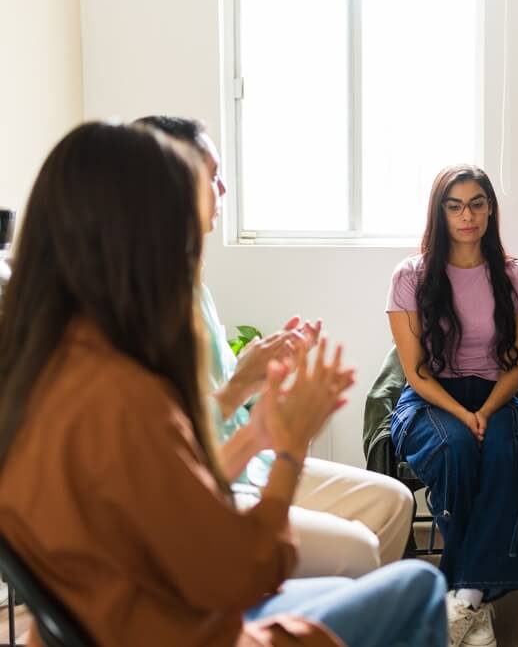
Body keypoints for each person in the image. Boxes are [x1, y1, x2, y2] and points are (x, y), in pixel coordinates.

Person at [0, 121, 448, 646]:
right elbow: (243, 573)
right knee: (420, 585)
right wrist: (286, 450)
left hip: (120, 613)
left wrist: (257, 433)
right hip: (182, 627)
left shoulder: (44, 370)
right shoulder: (124, 394)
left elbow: (161, 500)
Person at [135, 115, 413, 578]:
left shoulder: (191, 285)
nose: (223, 190)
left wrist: (275, 381)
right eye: (213, 175)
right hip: (204, 482)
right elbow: (167, 436)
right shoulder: (136, 299)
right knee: (359, 550)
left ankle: (327, 610)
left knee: (393, 502)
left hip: (247, 463)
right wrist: (248, 381)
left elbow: (232, 400)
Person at [387, 164, 518, 647]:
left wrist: (487, 411)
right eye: (454, 206)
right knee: (454, 450)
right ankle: (471, 598)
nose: (466, 215)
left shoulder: (517, 277)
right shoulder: (410, 275)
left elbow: (516, 367)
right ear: (440, 213)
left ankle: (465, 596)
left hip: (497, 395)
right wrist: (462, 415)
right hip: (432, 397)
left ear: (490, 209)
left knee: (507, 450)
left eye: (476, 203)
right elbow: (415, 371)